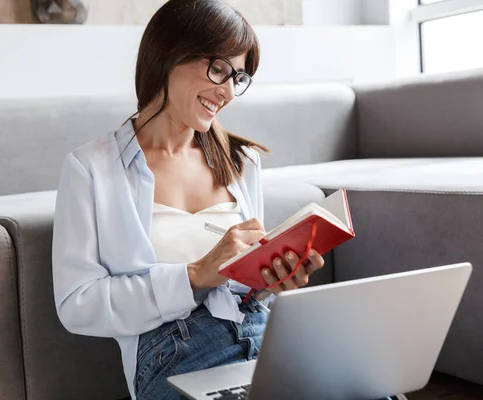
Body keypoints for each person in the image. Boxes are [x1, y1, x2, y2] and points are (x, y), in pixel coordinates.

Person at [52, 1, 324, 399]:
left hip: (264, 338)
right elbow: (77, 304)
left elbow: (243, 289)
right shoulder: (91, 168)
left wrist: (273, 279)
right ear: (169, 55)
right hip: (174, 354)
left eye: (239, 77)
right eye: (219, 69)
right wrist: (195, 275)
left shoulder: (241, 162)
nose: (228, 91)